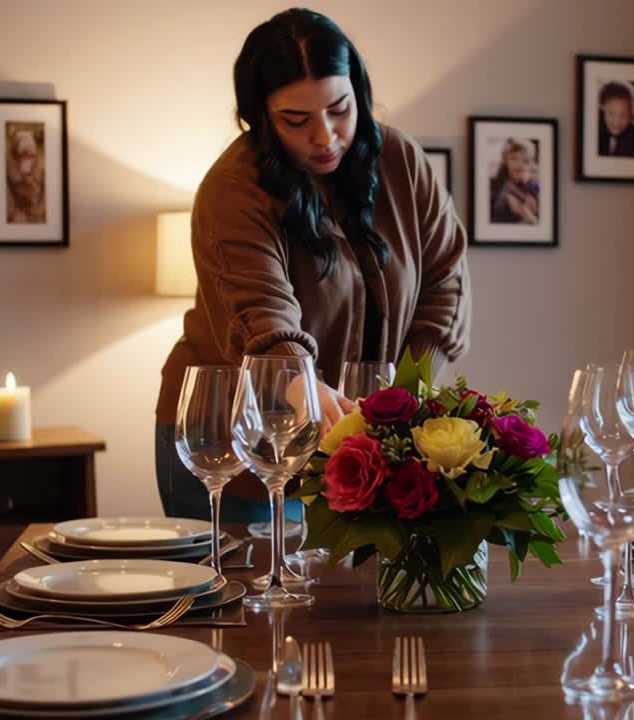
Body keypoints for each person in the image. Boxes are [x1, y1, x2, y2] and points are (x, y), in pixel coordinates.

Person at [154, 8, 472, 523]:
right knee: (250, 593)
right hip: (234, 443)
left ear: (359, 93)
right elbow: (262, 311)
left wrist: (403, 402)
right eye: (295, 120)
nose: (325, 137)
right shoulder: (233, 188)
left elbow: (446, 277)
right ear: (259, 115)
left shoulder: (401, 160)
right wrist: (300, 382)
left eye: (340, 109)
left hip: (363, 442)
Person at [488, 138, 539, 224]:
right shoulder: (501, 189)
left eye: (525, 161)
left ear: (531, 164)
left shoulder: (532, 185)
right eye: (513, 159)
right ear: (505, 161)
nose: (519, 164)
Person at [6, 123, 46, 223]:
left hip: (38, 210)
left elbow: (46, 192)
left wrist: (38, 209)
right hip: (18, 210)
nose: (26, 156)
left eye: (29, 154)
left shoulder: (41, 162)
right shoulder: (10, 165)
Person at [597, 81, 634, 158]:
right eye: (611, 113)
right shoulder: (595, 130)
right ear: (603, 108)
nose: (616, 121)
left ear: (631, 114)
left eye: (623, 115)